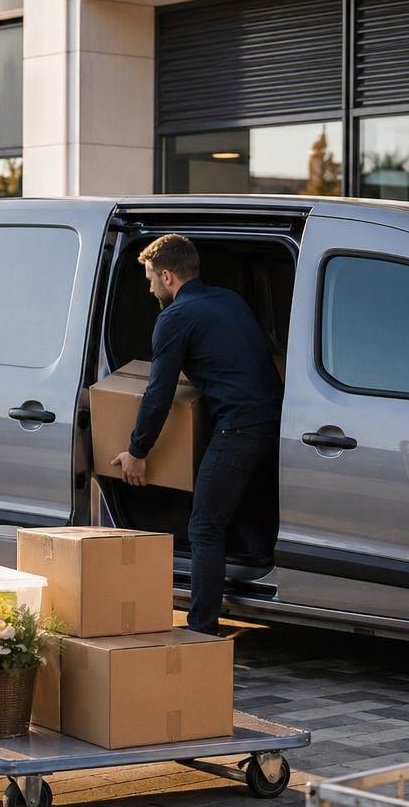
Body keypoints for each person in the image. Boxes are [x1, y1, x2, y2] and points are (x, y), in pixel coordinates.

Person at [112, 233, 283, 637]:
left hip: (239, 429)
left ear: (168, 276)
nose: (149, 286)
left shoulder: (174, 318)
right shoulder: (228, 300)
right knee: (243, 504)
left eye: (151, 278)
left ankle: (201, 631)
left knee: (204, 528)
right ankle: (266, 584)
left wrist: (137, 450)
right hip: (272, 424)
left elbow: (159, 392)